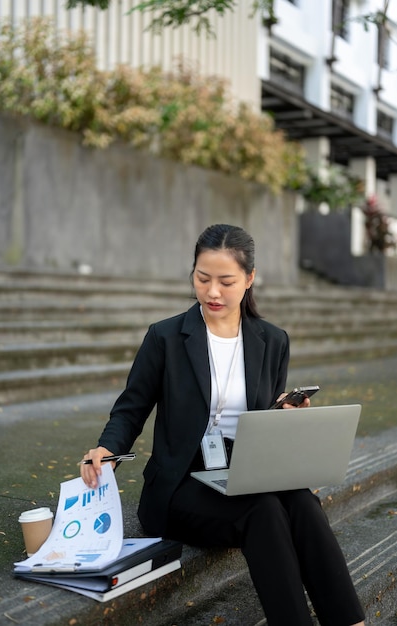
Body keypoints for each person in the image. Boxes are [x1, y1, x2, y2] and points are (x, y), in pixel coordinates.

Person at [81, 224, 365, 626]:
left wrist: (285, 419)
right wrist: (106, 450)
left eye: (226, 281)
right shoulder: (165, 337)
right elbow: (131, 408)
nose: (213, 292)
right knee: (265, 510)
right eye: (202, 278)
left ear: (249, 280)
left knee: (301, 500)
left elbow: (263, 413)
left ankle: (351, 621)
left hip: (247, 467)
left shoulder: (272, 340)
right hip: (183, 482)